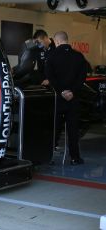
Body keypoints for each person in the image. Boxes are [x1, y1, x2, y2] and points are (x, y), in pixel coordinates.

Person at [45, 31, 87, 165]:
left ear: (56, 42)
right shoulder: (79, 56)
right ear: (67, 40)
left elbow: (50, 77)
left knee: (54, 129)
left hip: (58, 99)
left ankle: (49, 157)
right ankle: (75, 158)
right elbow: (82, 78)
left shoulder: (51, 56)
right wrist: (72, 91)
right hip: (73, 99)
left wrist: (61, 91)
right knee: (73, 130)